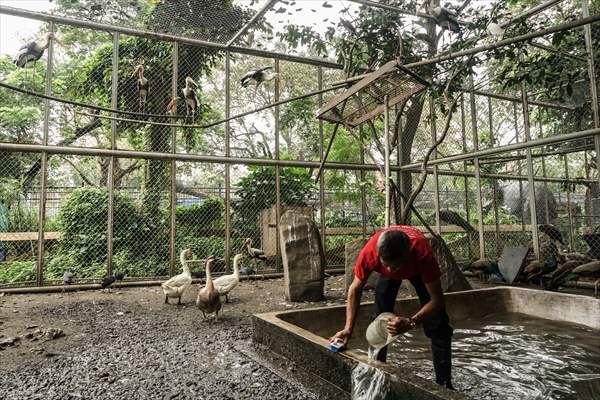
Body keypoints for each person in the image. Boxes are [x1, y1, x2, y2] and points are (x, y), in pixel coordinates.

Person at [330, 226, 454, 389]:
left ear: (408, 257)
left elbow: (437, 300)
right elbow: (355, 289)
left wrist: (411, 322)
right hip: (392, 261)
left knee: (438, 324)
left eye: (394, 267)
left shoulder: (422, 255)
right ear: (379, 256)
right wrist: (348, 329)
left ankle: (444, 384)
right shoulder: (370, 253)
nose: (389, 270)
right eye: (385, 265)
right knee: (379, 319)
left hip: (415, 270)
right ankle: (376, 374)